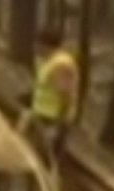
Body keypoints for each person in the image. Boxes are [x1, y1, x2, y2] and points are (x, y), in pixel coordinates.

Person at [21, 26, 80, 168]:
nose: (35, 48)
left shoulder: (61, 64)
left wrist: (59, 124)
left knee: (44, 160)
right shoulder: (47, 61)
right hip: (40, 115)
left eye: (37, 44)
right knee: (27, 149)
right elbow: (46, 87)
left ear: (45, 45)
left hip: (51, 120)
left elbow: (66, 94)